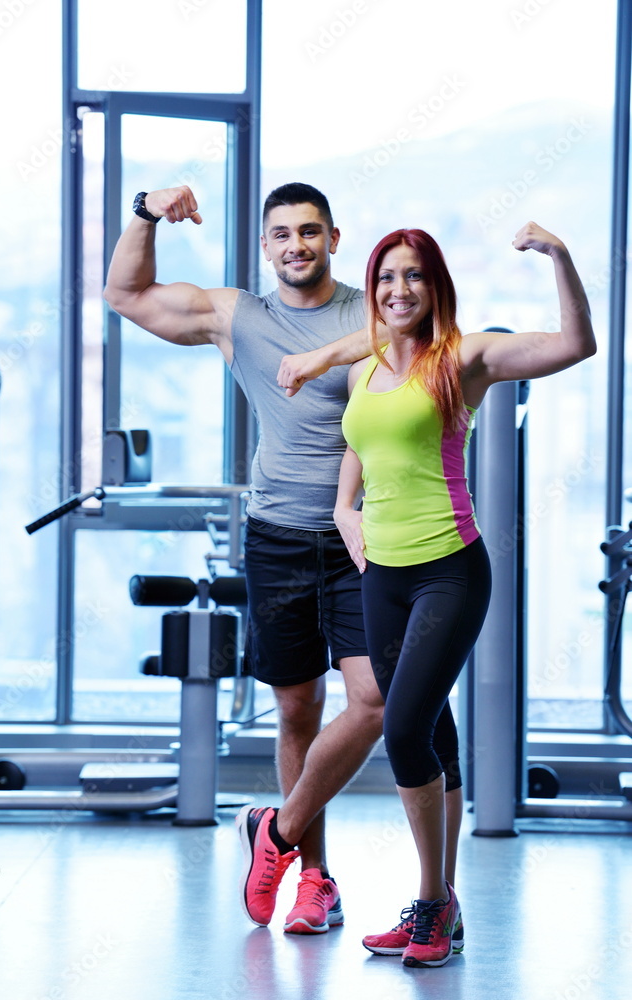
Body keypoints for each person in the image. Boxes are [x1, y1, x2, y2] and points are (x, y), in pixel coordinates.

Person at [278, 221, 596, 966]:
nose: (397, 289)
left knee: (403, 732)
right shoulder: (365, 368)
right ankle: (438, 913)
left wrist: (560, 255)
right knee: (436, 739)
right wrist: (341, 507)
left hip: (448, 570)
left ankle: (432, 904)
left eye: (413, 276)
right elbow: (361, 439)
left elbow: (575, 344)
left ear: (435, 287)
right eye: (385, 276)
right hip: (380, 578)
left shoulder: (466, 358)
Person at [103, 182, 386, 935]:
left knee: (374, 701)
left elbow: (428, 342)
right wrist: (145, 212)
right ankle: (315, 880)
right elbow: (125, 295)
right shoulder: (241, 317)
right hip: (279, 538)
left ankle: (277, 832)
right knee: (296, 708)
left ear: (334, 237)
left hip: (364, 536)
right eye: (282, 234)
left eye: (310, 231)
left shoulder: (370, 310)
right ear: (265, 245)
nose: (296, 244)